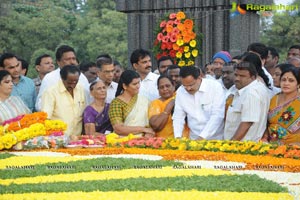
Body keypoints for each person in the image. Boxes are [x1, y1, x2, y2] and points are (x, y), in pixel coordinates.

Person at [173, 66, 225, 140]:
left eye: (191, 85)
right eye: (185, 86)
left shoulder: (215, 87)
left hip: (215, 138)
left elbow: (217, 115)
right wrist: (177, 136)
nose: (188, 89)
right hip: (194, 138)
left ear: (199, 78)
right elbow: (178, 117)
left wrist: (202, 137)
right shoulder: (180, 91)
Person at [224, 61, 270, 142]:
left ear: (253, 77)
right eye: (236, 75)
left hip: (242, 146)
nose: (237, 78)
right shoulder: (253, 88)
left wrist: (232, 143)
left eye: (242, 76)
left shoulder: (251, 93)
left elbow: (247, 123)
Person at [36, 45, 90, 111]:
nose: (72, 62)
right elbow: (40, 105)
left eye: (74, 59)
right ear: (58, 62)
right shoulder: (50, 78)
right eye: (67, 59)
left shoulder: (82, 77)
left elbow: (88, 101)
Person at [41, 65, 86, 136]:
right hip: (58, 138)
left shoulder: (81, 89)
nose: (72, 85)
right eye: (69, 82)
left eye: (75, 82)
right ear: (62, 78)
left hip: (77, 138)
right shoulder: (51, 92)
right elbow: (46, 118)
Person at [109, 70, 155, 137]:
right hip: (123, 141)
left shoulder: (144, 100)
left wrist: (149, 133)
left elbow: (151, 123)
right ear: (125, 86)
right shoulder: (116, 103)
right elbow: (118, 129)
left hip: (145, 140)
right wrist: (143, 129)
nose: (138, 86)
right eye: (134, 84)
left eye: (139, 83)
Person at [264, 67, 300, 145]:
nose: (286, 83)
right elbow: (266, 123)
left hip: (294, 147)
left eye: (291, 80)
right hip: (270, 145)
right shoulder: (274, 98)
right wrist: (265, 137)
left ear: (298, 84)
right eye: (283, 80)